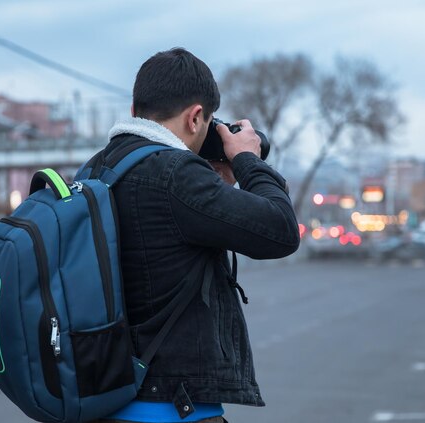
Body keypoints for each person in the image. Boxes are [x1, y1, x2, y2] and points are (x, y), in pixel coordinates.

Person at [94, 47, 300, 423]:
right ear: (195, 117)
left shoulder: (95, 170)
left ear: (133, 110)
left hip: (107, 400)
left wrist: (218, 182)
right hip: (173, 408)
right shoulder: (176, 176)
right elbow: (281, 231)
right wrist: (247, 160)